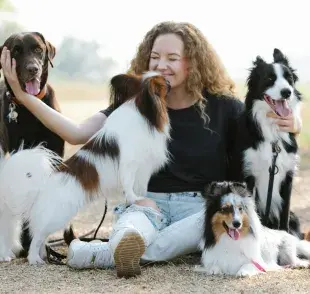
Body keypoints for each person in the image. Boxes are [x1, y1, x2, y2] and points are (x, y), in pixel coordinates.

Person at [0, 21, 301, 278]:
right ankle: (126, 245)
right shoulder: (135, 103)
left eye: (173, 57)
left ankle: (99, 253)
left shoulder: (223, 107)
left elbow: (261, 127)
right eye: (155, 56)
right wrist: (23, 96)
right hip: (147, 203)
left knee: (199, 226)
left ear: (192, 62)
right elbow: (77, 133)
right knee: (131, 227)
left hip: (195, 208)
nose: (162, 64)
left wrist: (294, 123)